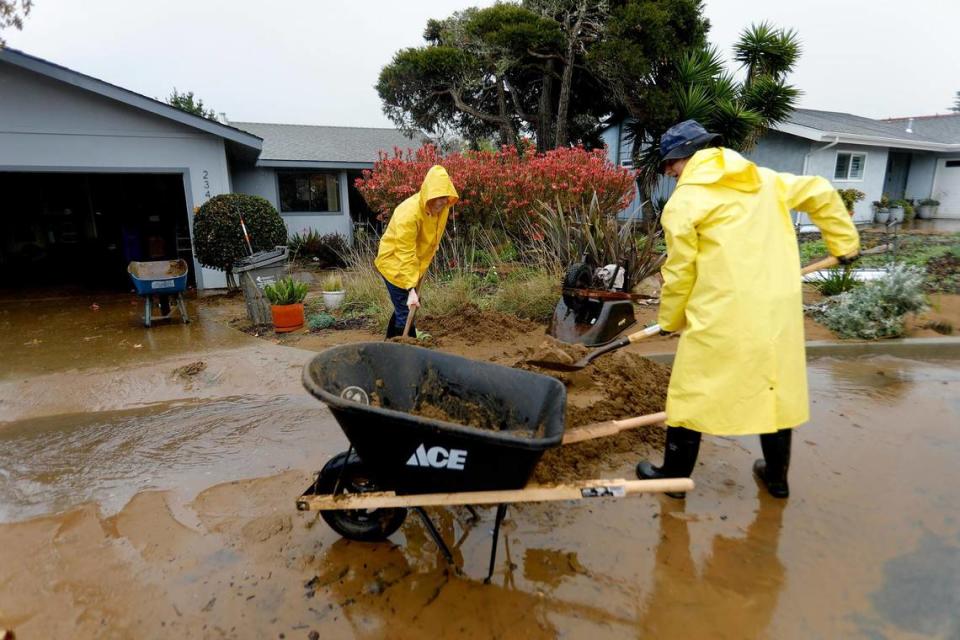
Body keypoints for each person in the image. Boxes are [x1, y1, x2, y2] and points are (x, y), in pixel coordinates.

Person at [636, 120, 860, 498]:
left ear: (683, 158)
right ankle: (776, 479)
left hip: (720, 315)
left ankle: (673, 479)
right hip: (776, 314)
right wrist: (844, 243)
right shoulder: (766, 181)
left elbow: (679, 273)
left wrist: (671, 319)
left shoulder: (685, 204)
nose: (669, 173)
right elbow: (820, 190)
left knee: (691, 392)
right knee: (774, 387)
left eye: (670, 165)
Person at [375, 165, 459, 338]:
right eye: (438, 197)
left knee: (404, 306)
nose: (443, 201)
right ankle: (407, 352)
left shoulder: (443, 208)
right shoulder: (409, 214)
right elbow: (404, 253)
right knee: (407, 310)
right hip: (394, 262)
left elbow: (433, 235)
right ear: (429, 194)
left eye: (445, 197)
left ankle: (389, 343)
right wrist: (411, 288)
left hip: (414, 262)